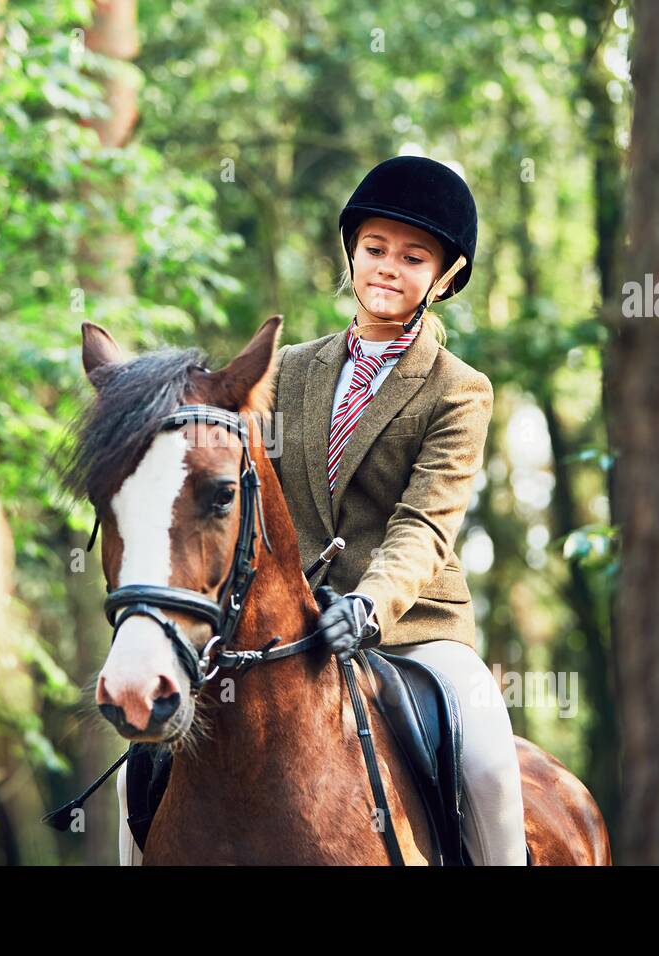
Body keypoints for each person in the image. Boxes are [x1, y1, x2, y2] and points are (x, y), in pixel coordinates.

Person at [117, 155, 527, 866]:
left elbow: (426, 523)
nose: (387, 269)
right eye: (374, 249)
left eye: (412, 256)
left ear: (447, 276)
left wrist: (369, 605)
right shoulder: (289, 368)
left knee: (488, 756)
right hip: (283, 627)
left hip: (411, 630)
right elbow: (234, 494)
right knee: (141, 764)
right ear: (352, 253)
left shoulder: (460, 390)